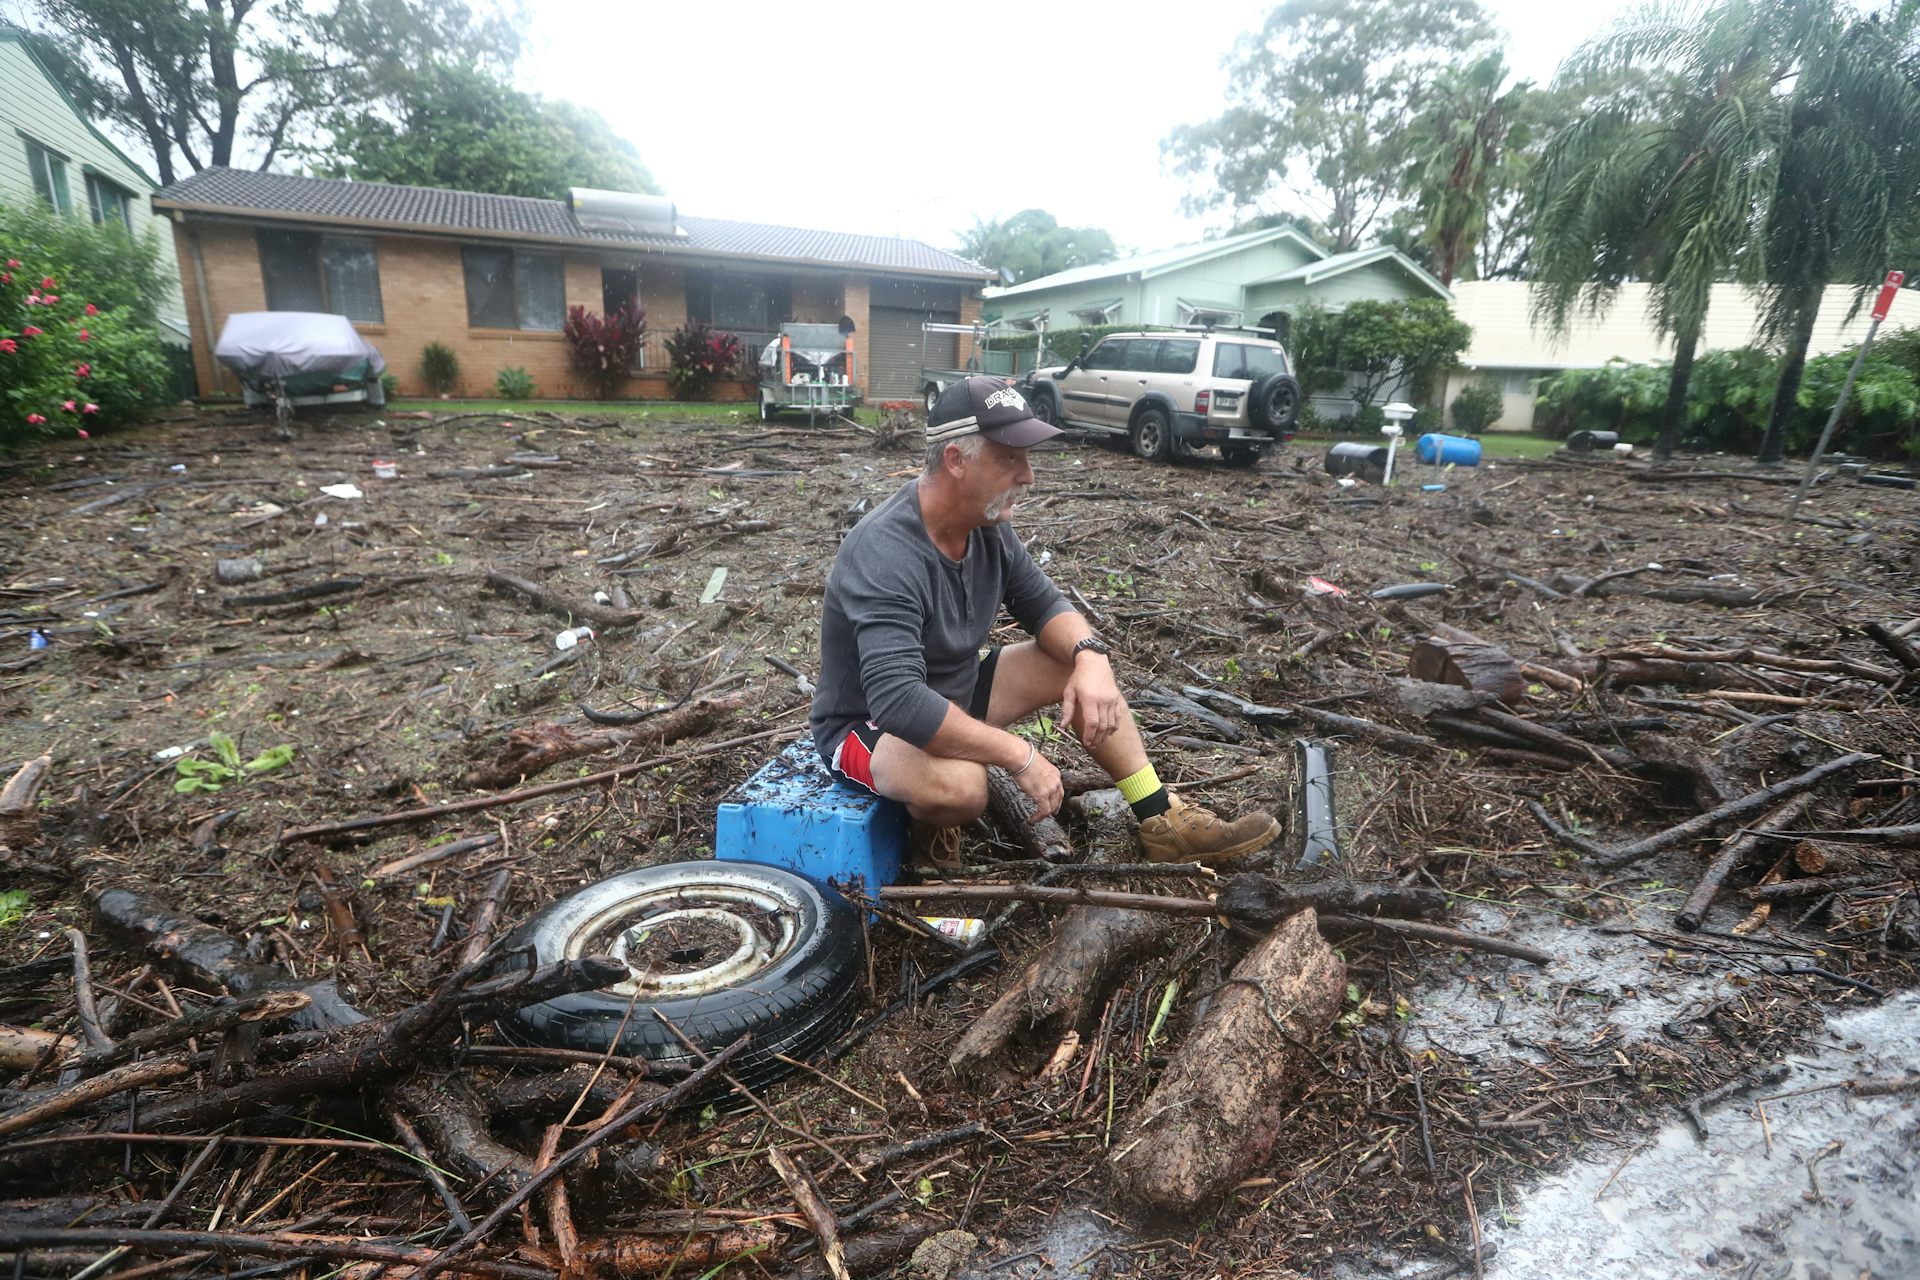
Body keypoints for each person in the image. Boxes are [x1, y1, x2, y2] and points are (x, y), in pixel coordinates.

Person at [809, 374, 1279, 867]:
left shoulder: (985, 525)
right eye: (1010, 457)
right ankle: (927, 827)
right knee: (963, 788)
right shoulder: (886, 552)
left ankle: (1161, 817)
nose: (1028, 475)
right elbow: (899, 699)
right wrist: (1019, 755)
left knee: (1071, 664)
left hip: (952, 692)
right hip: (869, 724)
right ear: (956, 460)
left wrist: (1091, 659)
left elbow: (1044, 604)